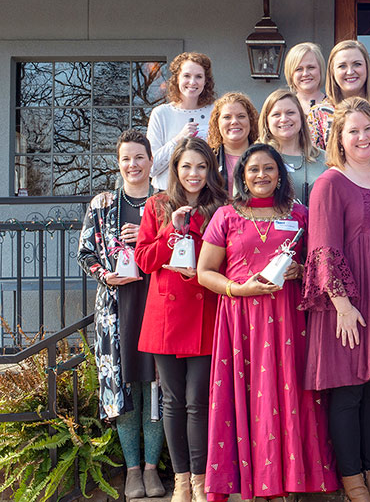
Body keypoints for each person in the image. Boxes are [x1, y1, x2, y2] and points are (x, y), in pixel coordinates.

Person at [197, 143, 340, 501]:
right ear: (241, 175)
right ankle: (257, 481)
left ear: (280, 174)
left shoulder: (302, 214)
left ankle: (292, 479)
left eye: (269, 168)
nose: (262, 175)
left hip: (291, 319)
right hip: (241, 320)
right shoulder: (226, 216)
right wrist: (236, 289)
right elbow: (204, 273)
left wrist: (301, 270)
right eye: (254, 169)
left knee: (291, 393)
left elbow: (321, 267)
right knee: (249, 399)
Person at [302, 98, 370, 502]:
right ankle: (353, 483)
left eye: (368, 129)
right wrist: (342, 304)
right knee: (348, 393)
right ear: (339, 138)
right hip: (349, 307)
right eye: (353, 131)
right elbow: (323, 248)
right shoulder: (330, 183)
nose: (363, 137)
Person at [135, 137, 226, 502]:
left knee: (197, 400)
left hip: (203, 309)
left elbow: (227, 256)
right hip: (166, 315)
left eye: (201, 167)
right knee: (172, 401)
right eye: (186, 166)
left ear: (210, 171)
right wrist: (173, 231)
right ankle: (182, 481)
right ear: (175, 169)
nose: (193, 174)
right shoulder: (157, 205)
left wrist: (201, 264)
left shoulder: (220, 206)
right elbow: (143, 259)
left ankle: (202, 481)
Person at [77, 130, 165, 500]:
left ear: (150, 161)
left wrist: (148, 233)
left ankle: (151, 469)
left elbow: (180, 248)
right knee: (124, 388)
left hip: (158, 304)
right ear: (118, 162)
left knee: (156, 387)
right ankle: (132, 469)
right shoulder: (102, 204)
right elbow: (85, 253)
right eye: (126, 158)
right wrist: (104, 275)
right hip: (116, 308)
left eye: (139, 157)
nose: (133, 164)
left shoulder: (163, 203)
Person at [147, 52, 216, 189]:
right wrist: (178, 140)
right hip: (166, 194)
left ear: (205, 81)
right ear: (176, 79)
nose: (192, 82)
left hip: (206, 195)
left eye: (198, 76)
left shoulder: (215, 112)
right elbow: (151, 168)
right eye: (186, 76)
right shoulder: (161, 114)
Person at [257, 88, 327, 205]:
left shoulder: (325, 159)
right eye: (276, 114)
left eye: (290, 112)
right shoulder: (254, 159)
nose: (284, 119)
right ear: (266, 121)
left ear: (301, 117)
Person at [321, 40, 370, 147]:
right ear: (332, 71)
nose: (350, 72)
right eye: (342, 66)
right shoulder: (318, 114)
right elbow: (312, 159)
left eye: (357, 64)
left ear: (367, 67)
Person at [283, 42, 334, 150]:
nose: (305, 73)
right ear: (290, 73)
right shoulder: (282, 109)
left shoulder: (335, 107)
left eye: (311, 67)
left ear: (320, 69)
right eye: (299, 69)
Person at [206, 92, 259, 196]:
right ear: (217, 122)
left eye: (241, 116)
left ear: (250, 120)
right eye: (227, 117)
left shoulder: (264, 156)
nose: (234, 121)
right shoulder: (208, 157)